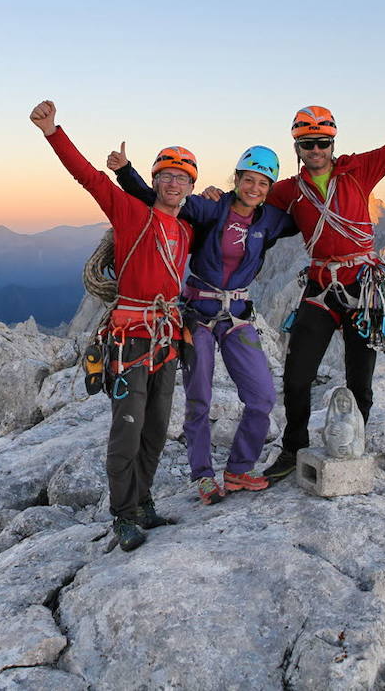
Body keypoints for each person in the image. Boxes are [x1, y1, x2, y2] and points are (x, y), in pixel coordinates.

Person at [256, 77, 385, 482]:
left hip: (363, 289)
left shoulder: (360, 170)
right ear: (296, 147)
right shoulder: (287, 191)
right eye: (307, 144)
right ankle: (293, 448)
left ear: (333, 145)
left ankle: (355, 442)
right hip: (320, 290)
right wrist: (215, 197)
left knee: (360, 382)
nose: (315, 150)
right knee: (297, 377)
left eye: (322, 143)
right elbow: (248, 201)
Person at [29, 99, 194, 552]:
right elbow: (90, 178)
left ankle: (143, 503)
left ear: (188, 186)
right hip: (128, 338)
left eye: (182, 178)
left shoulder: (184, 232)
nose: (174, 183)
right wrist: (52, 132)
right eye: (167, 176)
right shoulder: (131, 214)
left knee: (156, 428)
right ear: (155, 182)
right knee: (127, 427)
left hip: (165, 339)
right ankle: (122, 516)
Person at [109, 142, 299, 504]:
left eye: (263, 183)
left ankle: (239, 470)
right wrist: (124, 171)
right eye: (249, 179)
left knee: (262, 398)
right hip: (199, 313)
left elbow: (307, 215)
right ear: (237, 178)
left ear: (270, 188)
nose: (254, 188)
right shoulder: (212, 207)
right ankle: (203, 476)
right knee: (199, 400)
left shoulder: (271, 220)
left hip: (238, 315)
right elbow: (159, 196)